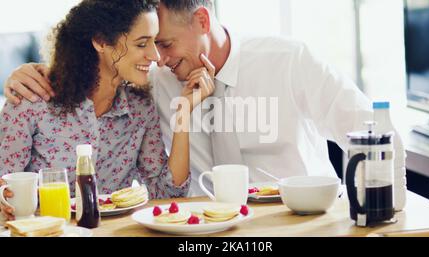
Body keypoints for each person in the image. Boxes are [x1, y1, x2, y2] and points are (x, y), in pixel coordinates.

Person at [3, 0, 406, 200]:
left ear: (201, 21)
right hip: (198, 232)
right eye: (149, 45)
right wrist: (31, 73)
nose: (158, 57)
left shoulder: (288, 60)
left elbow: (372, 129)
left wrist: (387, 205)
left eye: (164, 43)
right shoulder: (154, 80)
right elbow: (98, 66)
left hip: (294, 221)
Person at [0, 0, 216, 221]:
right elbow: (4, 190)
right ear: (101, 42)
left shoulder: (139, 107)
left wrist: (183, 113)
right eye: (142, 44)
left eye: (155, 42)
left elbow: (167, 193)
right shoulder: (32, 100)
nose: (155, 56)